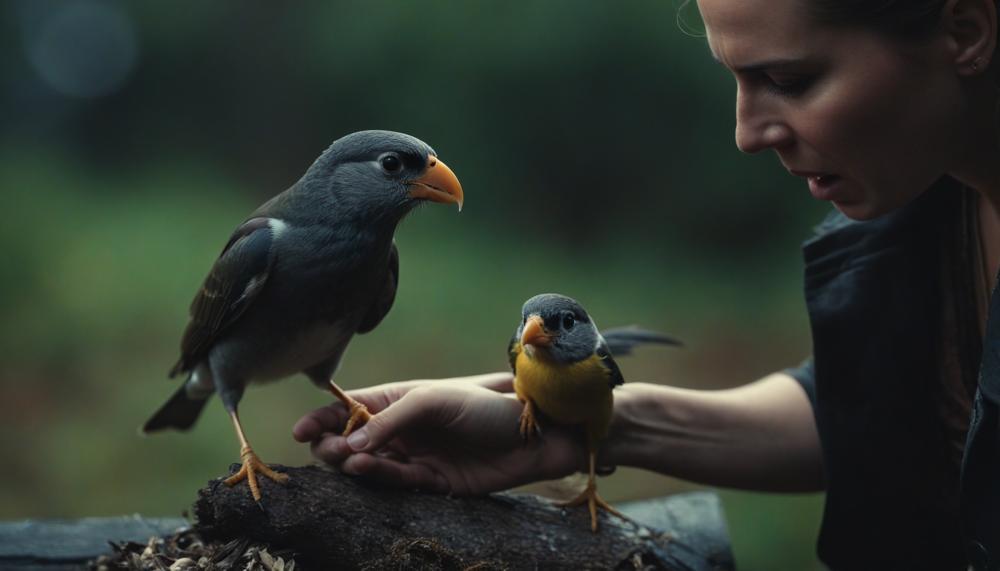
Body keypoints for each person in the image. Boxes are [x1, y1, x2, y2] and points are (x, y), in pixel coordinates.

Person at [292, 0, 1000, 568]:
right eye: (734, 79)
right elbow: (867, 408)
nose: (747, 133)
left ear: (965, 30)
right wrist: (587, 427)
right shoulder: (915, 215)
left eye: (788, 80)